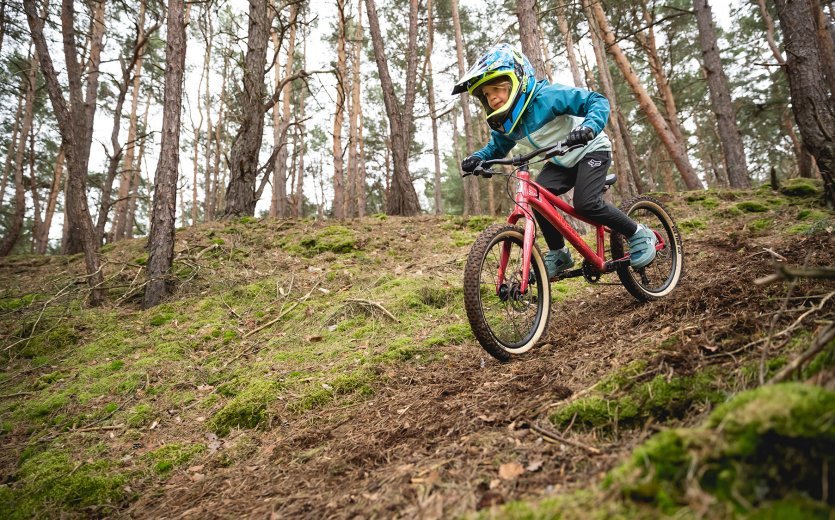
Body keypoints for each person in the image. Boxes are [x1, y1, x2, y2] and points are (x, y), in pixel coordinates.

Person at [452, 43, 657, 280]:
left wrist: (588, 127)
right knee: (538, 197)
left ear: (516, 80)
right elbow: (496, 146)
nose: (492, 97)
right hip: (561, 161)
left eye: (496, 88)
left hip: (591, 149)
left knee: (586, 203)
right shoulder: (508, 122)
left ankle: (639, 232)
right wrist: (479, 158)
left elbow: (596, 101)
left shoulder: (547, 97)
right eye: (486, 94)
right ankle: (559, 253)